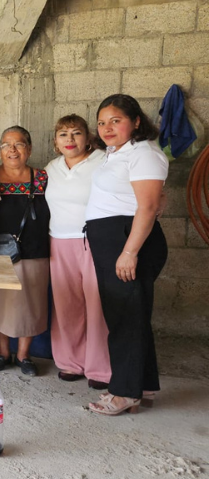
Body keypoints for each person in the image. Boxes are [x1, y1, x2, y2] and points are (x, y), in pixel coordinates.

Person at [85, 94, 168, 416]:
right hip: (114, 240)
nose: (107, 127)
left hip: (127, 242)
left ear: (135, 121)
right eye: (102, 122)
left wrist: (129, 252)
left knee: (125, 318)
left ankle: (123, 392)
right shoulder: (116, 153)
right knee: (133, 316)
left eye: (115, 120)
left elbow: (147, 207)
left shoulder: (144, 153)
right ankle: (143, 386)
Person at [45, 115, 111, 388]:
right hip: (58, 242)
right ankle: (70, 363)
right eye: (63, 134)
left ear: (88, 136)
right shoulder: (51, 168)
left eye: (76, 133)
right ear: (56, 141)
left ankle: (100, 369)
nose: (70, 140)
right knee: (65, 305)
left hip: (93, 241)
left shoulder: (103, 161)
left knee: (97, 306)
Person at [0, 126, 51, 377]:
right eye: (6, 145)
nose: (12, 150)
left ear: (29, 149)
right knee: (0, 304)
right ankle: (2, 352)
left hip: (34, 250)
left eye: (19, 144)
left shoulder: (42, 178)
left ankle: (23, 355)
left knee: (31, 304)